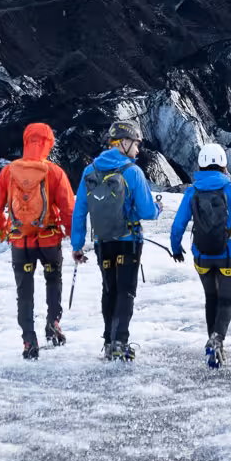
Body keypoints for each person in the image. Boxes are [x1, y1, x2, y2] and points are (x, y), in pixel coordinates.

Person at [70, 118, 161, 361]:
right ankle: (121, 341)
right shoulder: (132, 172)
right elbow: (147, 211)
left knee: (109, 289)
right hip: (128, 241)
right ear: (123, 143)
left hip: (103, 242)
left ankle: (109, 343)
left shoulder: (90, 172)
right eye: (136, 143)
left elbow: (79, 210)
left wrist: (77, 245)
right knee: (126, 292)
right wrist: (158, 208)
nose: (138, 149)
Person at [168, 142, 231, 369]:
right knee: (226, 299)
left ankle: (212, 339)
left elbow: (178, 224)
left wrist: (176, 248)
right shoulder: (230, 189)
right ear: (223, 164)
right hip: (228, 254)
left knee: (211, 297)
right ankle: (217, 339)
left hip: (201, 255)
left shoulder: (192, 191)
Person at [0, 121, 76, 360]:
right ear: (49, 144)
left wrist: (4, 228)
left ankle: (29, 340)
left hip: (20, 243)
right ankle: (53, 322)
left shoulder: (8, 172)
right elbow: (69, 209)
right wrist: (71, 236)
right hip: (49, 240)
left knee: (24, 292)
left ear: (26, 142)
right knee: (53, 280)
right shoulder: (55, 173)